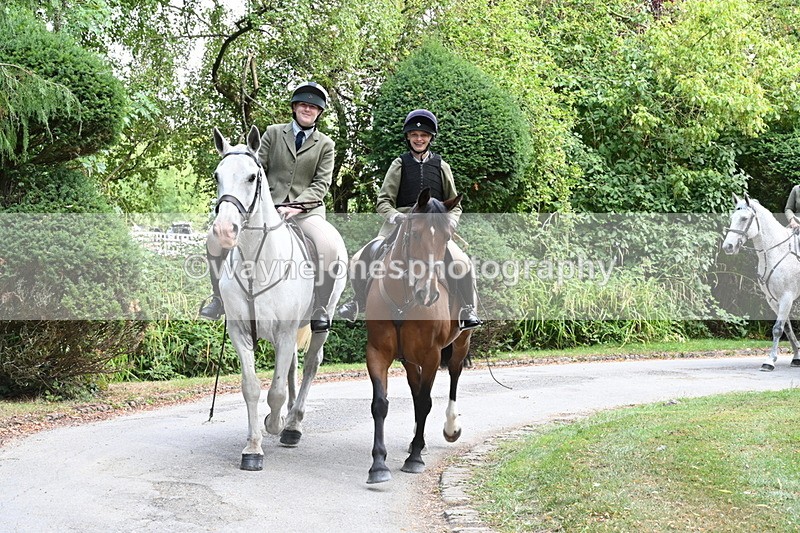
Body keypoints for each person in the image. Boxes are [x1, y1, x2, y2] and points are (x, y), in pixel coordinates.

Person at [200, 81, 340, 332]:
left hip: (306, 212)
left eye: (313, 107)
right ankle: (218, 299)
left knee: (328, 245)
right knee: (213, 239)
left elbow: (321, 183)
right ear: (295, 107)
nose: (307, 109)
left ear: (319, 112)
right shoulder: (274, 133)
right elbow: (256, 168)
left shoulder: (325, 145)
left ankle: (319, 306)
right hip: (267, 209)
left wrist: (296, 206)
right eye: (303, 105)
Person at [337, 109, 482, 330]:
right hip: (400, 223)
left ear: (430, 138)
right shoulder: (399, 164)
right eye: (414, 134)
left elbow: (455, 204)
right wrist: (396, 216)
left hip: (433, 227)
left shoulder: (442, 166)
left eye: (423, 135)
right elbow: (383, 201)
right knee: (358, 259)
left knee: (462, 262)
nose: (419, 139)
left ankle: (467, 309)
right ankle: (357, 301)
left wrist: (451, 222)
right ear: (408, 137)